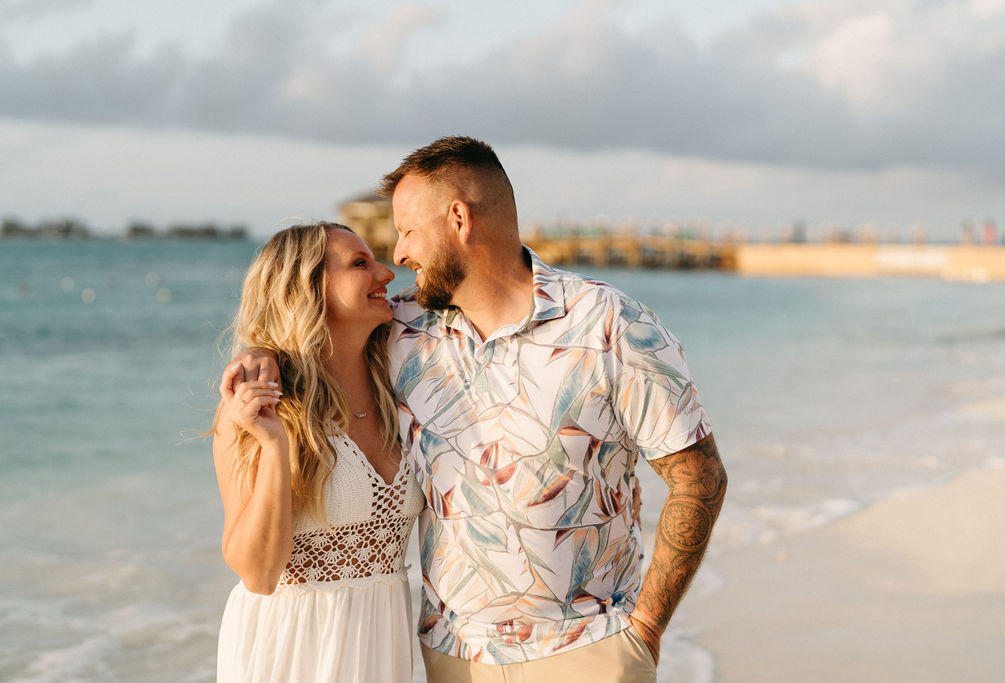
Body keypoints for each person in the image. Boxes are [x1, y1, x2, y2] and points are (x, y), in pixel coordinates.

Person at [234, 137, 727, 682]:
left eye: (407, 230)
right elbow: (310, 326)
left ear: (459, 219)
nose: (396, 256)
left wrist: (646, 629)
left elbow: (697, 475)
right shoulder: (402, 328)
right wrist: (260, 360)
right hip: (452, 658)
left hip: (587, 651)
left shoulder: (609, 326)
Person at [212, 223, 424, 683]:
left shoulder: (402, 375)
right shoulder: (257, 406)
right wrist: (274, 445)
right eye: (360, 264)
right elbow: (259, 575)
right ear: (307, 288)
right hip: (290, 651)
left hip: (381, 646)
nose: (387, 273)